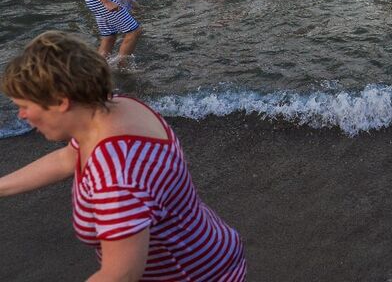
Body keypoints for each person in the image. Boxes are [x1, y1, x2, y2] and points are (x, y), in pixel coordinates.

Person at [0, 31, 247, 281]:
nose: (22, 116)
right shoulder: (114, 108)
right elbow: (68, 157)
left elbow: (120, 274)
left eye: (25, 106)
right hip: (210, 251)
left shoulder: (115, 176)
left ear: (61, 101)